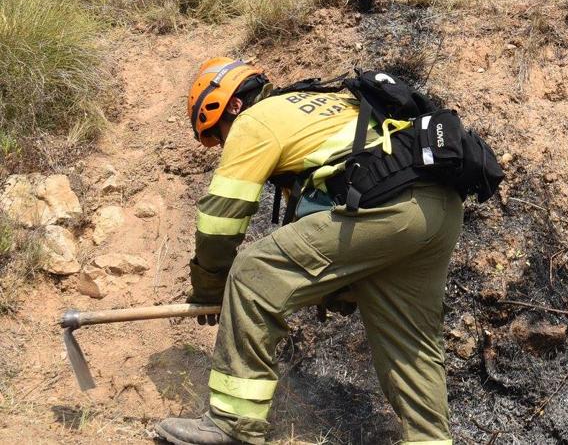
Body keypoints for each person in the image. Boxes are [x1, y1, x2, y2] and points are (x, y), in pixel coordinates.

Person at [154, 57, 463, 445]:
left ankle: (233, 424)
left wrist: (211, 288)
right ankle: (429, 440)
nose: (222, 146)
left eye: (218, 135)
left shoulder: (256, 120)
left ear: (231, 107)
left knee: (253, 272)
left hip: (387, 207)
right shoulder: (328, 104)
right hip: (440, 208)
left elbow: (221, 219)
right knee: (410, 338)